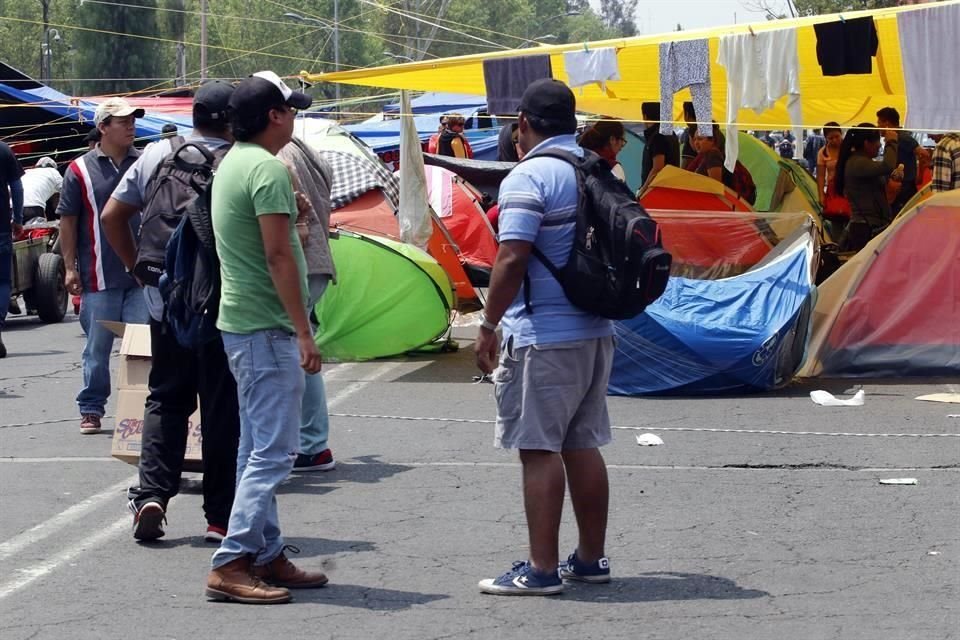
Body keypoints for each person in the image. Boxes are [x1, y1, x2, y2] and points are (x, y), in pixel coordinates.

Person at [475, 78, 615, 596]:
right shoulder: (594, 169)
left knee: (538, 449)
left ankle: (540, 569)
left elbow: (512, 257)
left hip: (543, 337)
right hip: (595, 328)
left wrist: (487, 326)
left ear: (524, 125)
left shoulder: (529, 177)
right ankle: (590, 558)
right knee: (582, 444)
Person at [100, 80, 240, 543]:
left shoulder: (160, 154)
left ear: (195, 116)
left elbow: (111, 217)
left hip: (166, 295)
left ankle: (152, 495)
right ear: (233, 119)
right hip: (222, 300)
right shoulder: (244, 161)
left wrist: (136, 268)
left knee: (166, 394)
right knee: (222, 406)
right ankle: (220, 518)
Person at [205, 71, 326, 605]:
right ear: (274, 116)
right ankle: (231, 560)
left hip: (244, 322)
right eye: (289, 110)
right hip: (266, 324)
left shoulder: (234, 163)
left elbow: (270, 245)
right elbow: (279, 257)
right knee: (275, 452)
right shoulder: (267, 169)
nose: (294, 117)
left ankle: (266, 552)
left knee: (256, 449)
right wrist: (304, 331)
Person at [57, 98, 149, 434]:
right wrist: (69, 267)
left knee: (143, 346)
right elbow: (68, 222)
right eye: (122, 121)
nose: (130, 126)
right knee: (97, 350)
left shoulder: (146, 162)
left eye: (132, 120)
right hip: (99, 276)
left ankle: (141, 408)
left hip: (142, 276)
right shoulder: (79, 170)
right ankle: (92, 408)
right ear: (103, 127)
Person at [278, 137, 338, 472]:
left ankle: (310, 443)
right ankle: (312, 443)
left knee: (295, 349)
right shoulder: (305, 149)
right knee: (302, 347)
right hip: (316, 258)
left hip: (300, 260)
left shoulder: (279, 158)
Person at [835, 123, 898, 252]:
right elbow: (887, 165)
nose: (879, 145)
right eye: (877, 142)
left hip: (869, 226)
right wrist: (891, 142)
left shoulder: (861, 162)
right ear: (866, 143)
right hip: (865, 229)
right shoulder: (857, 163)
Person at [0, 141, 25, 359]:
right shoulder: (3, 149)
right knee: (2, 282)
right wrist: (18, 218)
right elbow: (16, 187)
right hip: (1, 228)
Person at [876, 107, 918, 214]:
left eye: (879, 123)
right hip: (898, 188)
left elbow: (923, 153)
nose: (878, 127)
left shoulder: (902, 137)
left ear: (887, 123)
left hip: (903, 189)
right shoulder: (894, 139)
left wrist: (917, 175)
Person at [638, 102, 680, 194]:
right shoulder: (671, 133)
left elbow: (657, 167)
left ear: (645, 116)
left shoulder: (658, 136)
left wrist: (643, 190)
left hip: (657, 191)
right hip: (671, 188)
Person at [816, 122, 851, 222]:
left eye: (837, 136)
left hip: (850, 188)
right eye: (831, 138)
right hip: (833, 191)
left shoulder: (850, 148)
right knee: (836, 217)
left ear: (841, 134)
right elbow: (821, 176)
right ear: (826, 138)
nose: (835, 140)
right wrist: (821, 195)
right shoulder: (822, 153)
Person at [20, 157, 62, 222]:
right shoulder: (53, 172)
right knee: (37, 232)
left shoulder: (26, 172)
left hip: (11, 208)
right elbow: (66, 193)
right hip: (33, 207)